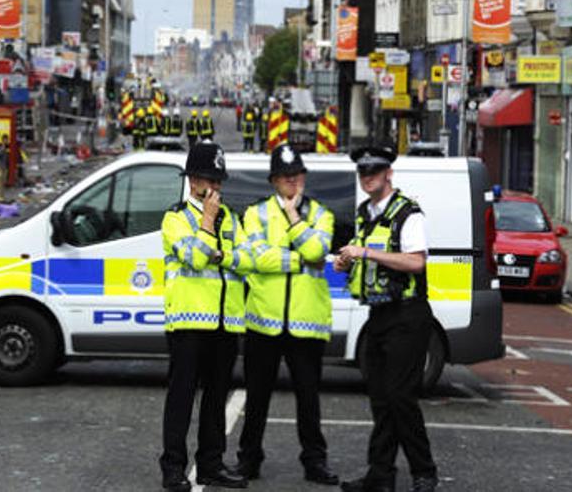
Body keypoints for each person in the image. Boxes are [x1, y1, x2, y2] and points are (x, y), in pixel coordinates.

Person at [334, 146, 438, 492]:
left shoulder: (407, 212)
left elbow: (416, 262)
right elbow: (368, 255)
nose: (368, 177)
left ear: (389, 174)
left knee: (400, 396)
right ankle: (380, 475)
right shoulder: (366, 212)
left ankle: (424, 472)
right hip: (377, 315)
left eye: (375, 171)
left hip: (408, 314)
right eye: (363, 172)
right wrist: (347, 261)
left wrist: (365, 252)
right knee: (380, 398)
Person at [234, 144, 338, 486]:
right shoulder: (255, 214)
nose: (292, 183)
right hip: (264, 320)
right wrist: (299, 260)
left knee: (309, 400)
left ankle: (314, 462)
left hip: (306, 322)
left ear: (304, 177)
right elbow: (254, 258)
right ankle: (248, 460)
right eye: (285, 178)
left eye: (297, 176)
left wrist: (295, 219)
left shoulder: (322, 214)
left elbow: (317, 250)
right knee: (257, 397)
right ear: (274, 181)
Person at [160, 142, 254, 492]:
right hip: (188, 322)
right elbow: (196, 258)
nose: (214, 187)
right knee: (181, 399)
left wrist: (221, 254)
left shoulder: (232, 217)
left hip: (225, 323)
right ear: (192, 181)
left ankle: (212, 465)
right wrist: (208, 223)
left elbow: (246, 260)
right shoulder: (175, 218)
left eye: (218, 180)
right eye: (207, 180)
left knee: (216, 400)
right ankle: (173, 468)